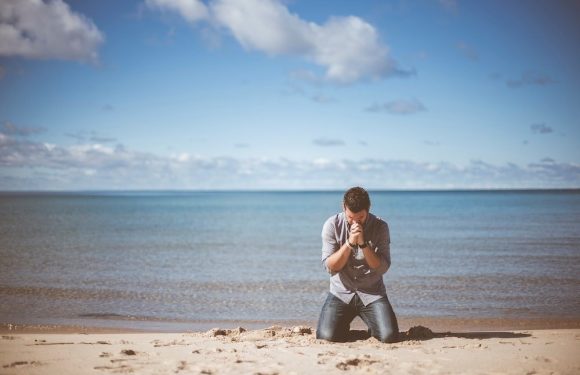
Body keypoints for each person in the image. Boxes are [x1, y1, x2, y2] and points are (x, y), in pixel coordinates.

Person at [316, 186, 398, 343]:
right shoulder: (332, 224)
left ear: (368, 210)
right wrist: (349, 243)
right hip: (341, 293)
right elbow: (330, 267)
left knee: (389, 337)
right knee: (325, 337)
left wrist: (363, 244)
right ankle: (341, 326)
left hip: (372, 293)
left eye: (360, 218)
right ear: (344, 208)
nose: (355, 222)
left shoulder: (381, 226)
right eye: (350, 217)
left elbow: (382, 268)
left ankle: (374, 325)